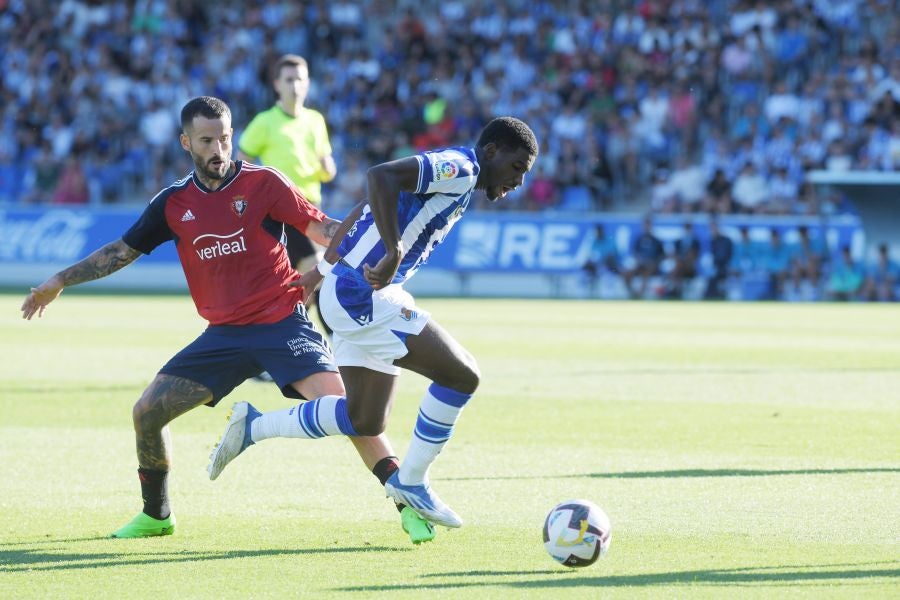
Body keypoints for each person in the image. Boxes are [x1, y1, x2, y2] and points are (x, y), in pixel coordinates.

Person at [20, 96, 432, 543]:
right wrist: (60, 280)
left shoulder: (264, 183)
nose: (218, 149)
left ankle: (407, 505)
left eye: (224, 138)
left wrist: (375, 234)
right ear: (185, 143)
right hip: (223, 336)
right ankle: (157, 515)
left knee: (348, 412)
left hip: (282, 324)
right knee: (147, 413)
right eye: (206, 141)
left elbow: (322, 229)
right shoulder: (172, 203)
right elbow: (122, 251)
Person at [208, 117, 539, 528]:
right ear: (492, 151)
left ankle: (253, 427)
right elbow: (380, 176)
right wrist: (394, 248)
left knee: (365, 419)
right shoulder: (463, 167)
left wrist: (322, 270)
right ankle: (412, 482)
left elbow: (364, 208)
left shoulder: (459, 175)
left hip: (350, 289)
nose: (519, 181)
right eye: (516, 168)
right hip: (362, 296)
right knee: (462, 375)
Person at [237, 54, 337, 331]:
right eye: (289, 80)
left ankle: (280, 335)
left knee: (297, 283)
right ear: (277, 85)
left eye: (299, 79)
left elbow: (326, 166)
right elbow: (242, 161)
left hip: (312, 208)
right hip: (283, 210)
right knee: (318, 270)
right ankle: (336, 340)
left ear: (308, 84)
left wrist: (328, 169)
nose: (295, 86)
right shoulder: (265, 121)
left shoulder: (315, 120)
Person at [622, 216, 664, 299]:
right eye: (645, 225)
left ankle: (640, 294)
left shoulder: (656, 240)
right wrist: (639, 260)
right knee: (627, 273)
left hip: (652, 265)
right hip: (640, 264)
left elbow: (662, 255)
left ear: (651, 226)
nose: (646, 227)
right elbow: (635, 253)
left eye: (648, 225)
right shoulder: (639, 239)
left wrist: (655, 262)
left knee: (646, 273)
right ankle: (633, 293)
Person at [581, 224, 620, 297]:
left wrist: (600, 260)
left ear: (602, 232)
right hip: (597, 265)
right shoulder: (594, 241)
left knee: (608, 262)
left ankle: (608, 291)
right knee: (586, 266)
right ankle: (584, 292)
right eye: (596, 232)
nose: (597, 234)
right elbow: (591, 254)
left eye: (598, 232)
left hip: (610, 266)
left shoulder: (609, 240)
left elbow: (612, 254)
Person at [704, 219, 734, 300]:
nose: (712, 230)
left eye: (714, 228)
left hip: (723, 268)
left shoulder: (725, 240)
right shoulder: (710, 241)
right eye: (711, 228)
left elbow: (724, 256)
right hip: (711, 269)